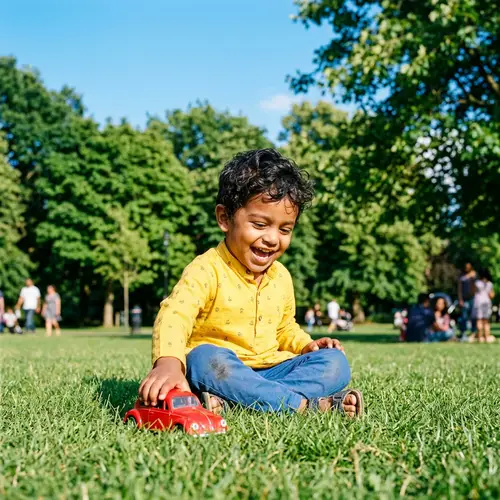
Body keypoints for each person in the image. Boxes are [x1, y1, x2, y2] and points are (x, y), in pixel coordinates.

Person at [139, 149, 363, 417]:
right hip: (222, 369)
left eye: (284, 229)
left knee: (335, 362)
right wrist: (168, 363)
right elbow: (175, 315)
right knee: (203, 359)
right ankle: (303, 407)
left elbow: (284, 328)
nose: (272, 238)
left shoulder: (281, 276)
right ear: (225, 218)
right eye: (259, 224)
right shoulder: (206, 269)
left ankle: (237, 401)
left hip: (273, 367)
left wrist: (306, 345)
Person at [473, 268, 495, 343]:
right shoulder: (489, 284)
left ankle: (479, 337)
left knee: (479, 321)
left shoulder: (477, 283)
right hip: (487, 302)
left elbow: (473, 292)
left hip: (478, 302)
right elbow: (492, 295)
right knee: (486, 321)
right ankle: (486, 337)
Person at [457, 262, 477, 340]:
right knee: (464, 316)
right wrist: (460, 299)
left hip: (472, 298)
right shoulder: (461, 277)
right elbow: (459, 289)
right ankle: (463, 332)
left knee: (473, 316)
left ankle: (473, 332)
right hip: (464, 299)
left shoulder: (474, 275)